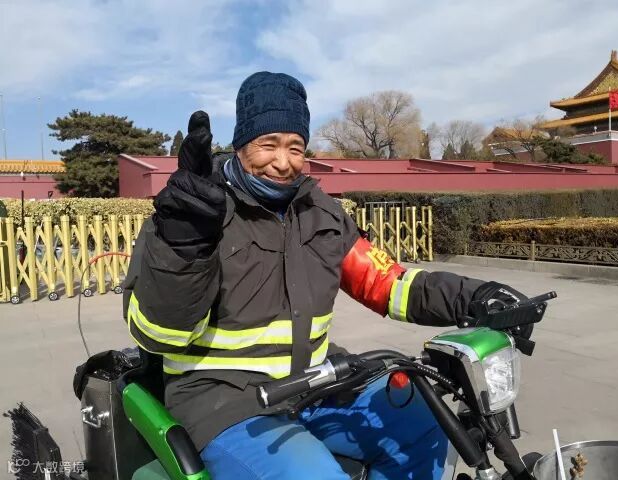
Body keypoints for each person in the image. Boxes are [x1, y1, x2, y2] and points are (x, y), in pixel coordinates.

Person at [123, 71, 530, 479]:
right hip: (224, 402)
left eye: (295, 147)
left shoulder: (323, 213)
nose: (283, 162)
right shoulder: (191, 212)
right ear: (242, 143)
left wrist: (472, 297)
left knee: (426, 422)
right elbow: (158, 335)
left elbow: (387, 283)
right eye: (268, 144)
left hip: (315, 386)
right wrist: (185, 247)